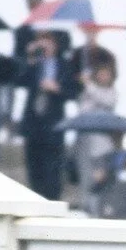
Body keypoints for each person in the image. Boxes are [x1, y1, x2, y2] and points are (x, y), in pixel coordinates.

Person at [20, 30, 76, 199]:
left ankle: (52, 200)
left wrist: (56, 88)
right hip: (33, 125)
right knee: (34, 168)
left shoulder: (64, 65)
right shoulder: (34, 63)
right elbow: (20, 80)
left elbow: (73, 92)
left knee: (52, 170)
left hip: (53, 125)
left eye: (48, 40)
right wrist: (30, 58)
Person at [73, 60, 120, 200]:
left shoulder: (111, 92)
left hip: (102, 146)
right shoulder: (87, 93)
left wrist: (88, 84)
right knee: (85, 179)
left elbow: (106, 102)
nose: (103, 77)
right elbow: (82, 111)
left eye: (106, 74)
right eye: (100, 74)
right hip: (84, 143)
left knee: (101, 179)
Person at [84, 133, 126, 219]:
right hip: (105, 212)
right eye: (113, 135)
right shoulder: (102, 160)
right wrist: (98, 181)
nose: (115, 139)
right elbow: (91, 189)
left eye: (119, 135)